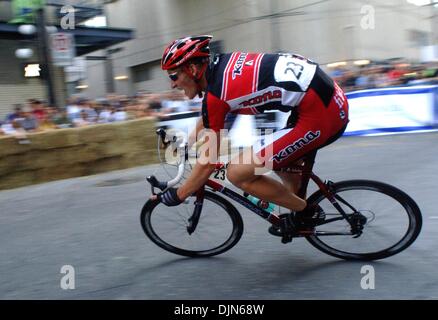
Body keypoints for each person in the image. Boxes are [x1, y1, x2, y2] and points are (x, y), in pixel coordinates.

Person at [154, 35, 349, 232]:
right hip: (325, 100)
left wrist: (180, 194)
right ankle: (298, 209)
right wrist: (186, 144)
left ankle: (306, 212)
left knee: (238, 173)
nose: (173, 84)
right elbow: (209, 118)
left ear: (193, 69)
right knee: (279, 163)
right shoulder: (221, 66)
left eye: (174, 75)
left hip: (322, 115)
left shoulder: (216, 95)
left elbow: (207, 164)